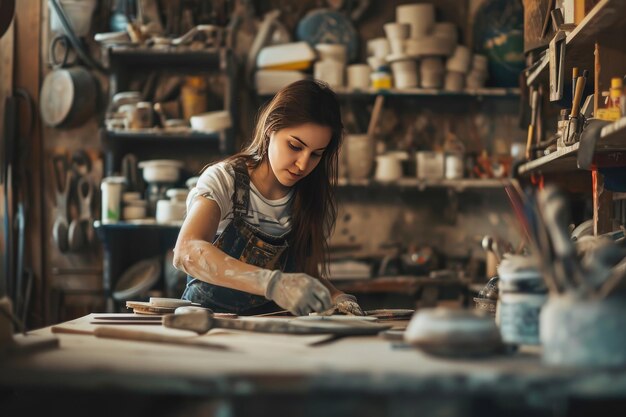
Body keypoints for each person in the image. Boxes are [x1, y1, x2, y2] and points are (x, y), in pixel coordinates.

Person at [173, 79, 364, 317]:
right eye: (295, 146)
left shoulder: (306, 196)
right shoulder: (225, 180)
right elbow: (187, 252)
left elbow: (304, 276)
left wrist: (337, 297)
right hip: (209, 325)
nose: (303, 164)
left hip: (271, 329)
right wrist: (272, 284)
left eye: (316, 155)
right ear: (270, 129)